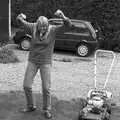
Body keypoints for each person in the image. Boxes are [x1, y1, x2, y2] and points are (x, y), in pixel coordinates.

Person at [16, 10, 71, 119]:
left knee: (46, 88)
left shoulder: (53, 30)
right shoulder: (33, 27)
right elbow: (20, 21)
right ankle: (31, 106)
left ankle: (46, 109)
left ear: (47, 26)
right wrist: (21, 16)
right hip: (33, 61)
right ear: (37, 25)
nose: (42, 29)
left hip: (45, 62)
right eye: (40, 27)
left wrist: (62, 16)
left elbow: (68, 25)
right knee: (26, 85)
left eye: (44, 27)